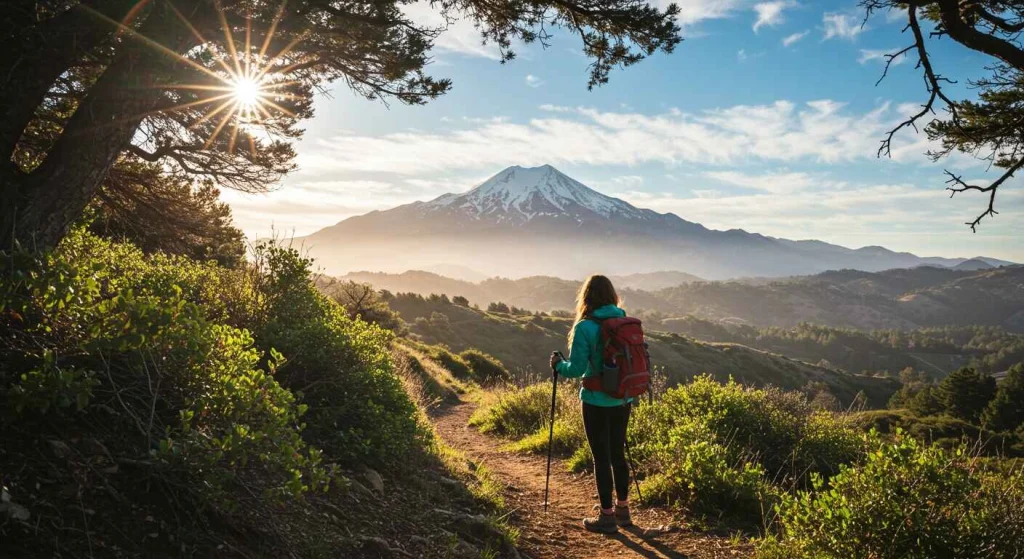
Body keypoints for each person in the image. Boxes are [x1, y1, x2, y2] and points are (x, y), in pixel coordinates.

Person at [549, 274, 633, 534]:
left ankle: (606, 517)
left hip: (596, 400)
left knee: (601, 457)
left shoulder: (585, 327)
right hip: (622, 398)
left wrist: (557, 365)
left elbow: (575, 370)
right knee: (618, 454)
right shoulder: (622, 318)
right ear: (612, 295)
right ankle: (622, 510)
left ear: (586, 297)